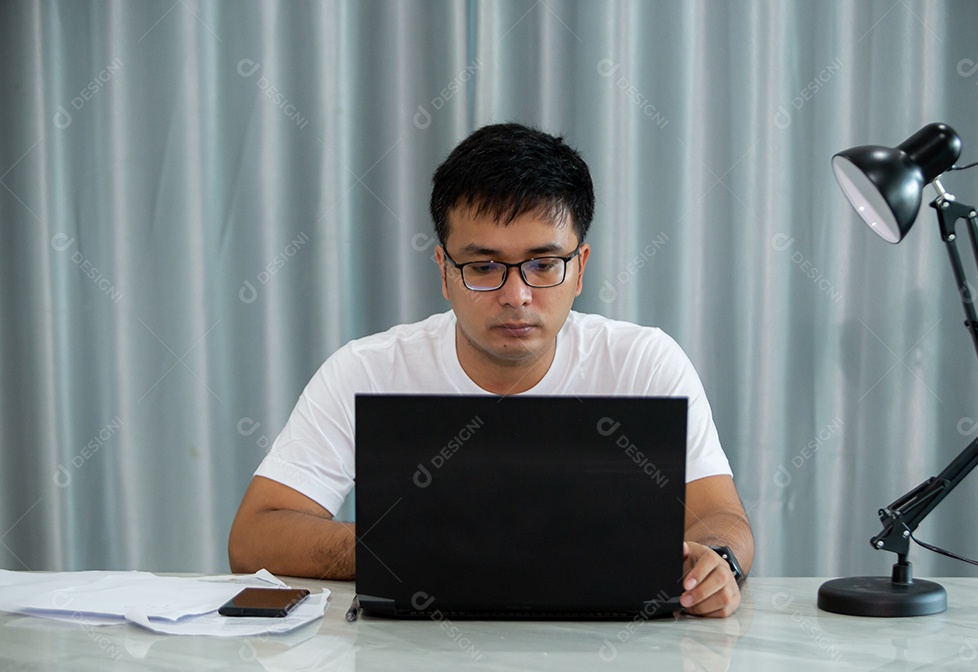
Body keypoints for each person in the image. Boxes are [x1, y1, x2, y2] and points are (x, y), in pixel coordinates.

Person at [229, 123, 754, 617]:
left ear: (580, 269)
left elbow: (721, 517)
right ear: (444, 271)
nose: (516, 296)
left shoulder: (645, 363)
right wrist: (405, 550)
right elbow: (256, 536)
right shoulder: (366, 369)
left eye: (543, 265)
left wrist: (717, 561)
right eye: (483, 267)